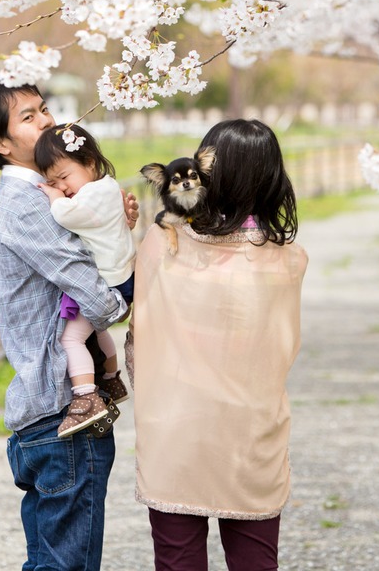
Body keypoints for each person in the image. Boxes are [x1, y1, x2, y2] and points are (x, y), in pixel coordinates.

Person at [0, 73, 136, 571]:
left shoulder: (45, 194)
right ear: (0, 143)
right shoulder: (26, 204)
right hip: (62, 412)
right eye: (28, 116)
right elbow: (98, 298)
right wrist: (127, 292)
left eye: (44, 108)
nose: (46, 120)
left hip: (46, 413)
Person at [128, 118, 309, 571]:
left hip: (175, 429)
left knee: (177, 560)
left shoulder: (161, 245)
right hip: (250, 434)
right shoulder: (287, 261)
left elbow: (140, 332)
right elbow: (282, 350)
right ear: (271, 179)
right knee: (255, 562)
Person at [34, 123, 134, 437]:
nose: (61, 187)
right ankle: (111, 377)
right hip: (118, 276)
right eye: (53, 181)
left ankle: (85, 397)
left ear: (89, 163)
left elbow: (65, 215)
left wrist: (51, 196)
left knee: (71, 339)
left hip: (110, 280)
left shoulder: (94, 195)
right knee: (97, 328)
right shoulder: (104, 188)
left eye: (64, 178)